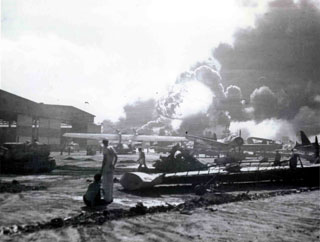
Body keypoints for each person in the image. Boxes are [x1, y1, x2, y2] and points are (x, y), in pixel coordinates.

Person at [100, 139, 117, 204]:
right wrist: (114, 164)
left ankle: (106, 198)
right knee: (110, 182)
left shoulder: (105, 149)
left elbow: (104, 160)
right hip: (111, 167)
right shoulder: (111, 148)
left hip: (106, 167)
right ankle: (110, 197)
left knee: (105, 182)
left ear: (103, 143)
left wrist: (102, 168)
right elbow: (116, 157)